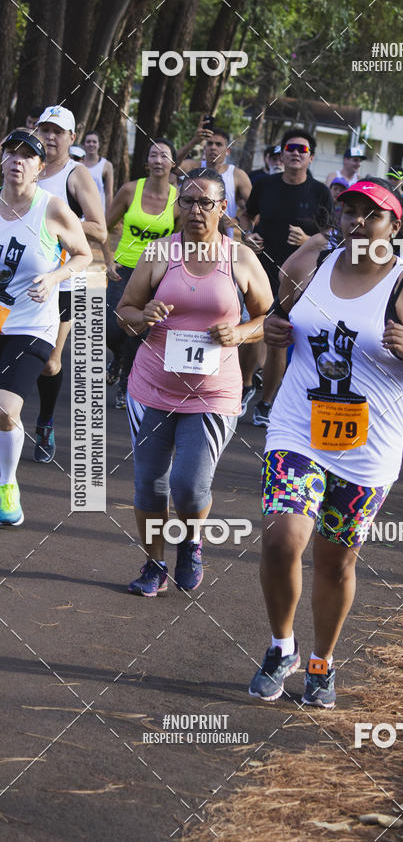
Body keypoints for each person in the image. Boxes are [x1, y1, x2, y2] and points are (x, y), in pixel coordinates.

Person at [248, 177, 403, 707]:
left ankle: (322, 660)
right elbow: (278, 321)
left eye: (371, 214)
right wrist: (271, 331)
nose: (356, 222)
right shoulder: (309, 268)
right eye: (348, 212)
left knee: (336, 561)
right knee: (281, 539)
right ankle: (280, 645)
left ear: (394, 225)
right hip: (298, 429)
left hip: (368, 448)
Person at [116, 168, 272, 597]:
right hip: (151, 386)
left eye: (206, 203)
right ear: (177, 206)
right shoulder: (158, 253)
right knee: (149, 483)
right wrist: (142, 316)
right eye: (187, 201)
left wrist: (239, 333)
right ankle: (154, 563)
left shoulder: (239, 257)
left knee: (188, 485)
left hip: (213, 391)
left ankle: (190, 542)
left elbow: (269, 319)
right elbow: (124, 310)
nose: (196, 210)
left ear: (224, 209)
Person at [0, 129, 91, 523]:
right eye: (11, 153)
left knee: (5, 410)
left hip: (32, 324)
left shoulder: (51, 208)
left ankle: (7, 486)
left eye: (27, 156)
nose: (17, 160)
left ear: (39, 168)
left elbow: (84, 254)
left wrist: (55, 278)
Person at [242, 128, 334, 427]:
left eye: (302, 150)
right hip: (261, 268)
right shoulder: (265, 185)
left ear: (311, 158)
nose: (295, 153)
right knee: (252, 331)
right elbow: (247, 215)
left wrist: (309, 238)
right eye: (290, 148)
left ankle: (266, 403)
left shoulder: (319, 192)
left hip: (298, 276)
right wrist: (248, 235)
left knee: (280, 338)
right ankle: (245, 387)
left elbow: (332, 233)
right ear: (281, 154)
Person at [34, 105, 108, 462]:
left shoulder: (76, 175)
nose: (50, 137)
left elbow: (99, 228)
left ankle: (46, 421)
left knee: (50, 362)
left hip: (62, 282)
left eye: (57, 132)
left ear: (71, 138)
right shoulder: (25, 164)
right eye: (45, 129)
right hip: (18, 278)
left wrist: (59, 223)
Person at [105, 138, 179, 408]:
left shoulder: (178, 200)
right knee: (112, 329)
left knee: (139, 332)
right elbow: (105, 226)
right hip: (124, 268)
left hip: (157, 274)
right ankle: (119, 357)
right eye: (153, 155)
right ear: (146, 162)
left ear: (173, 163)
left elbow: (181, 240)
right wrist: (107, 259)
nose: (158, 161)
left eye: (164, 156)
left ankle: (126, 383)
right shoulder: (129, 190)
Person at [178, 126, 252, 238]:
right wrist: (194, 141)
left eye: (218, 144)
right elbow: (172, 165)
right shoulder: (193, 167)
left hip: (222, 241)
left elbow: (255, 207)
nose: (213, 147)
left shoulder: (237, 175)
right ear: (205, 148)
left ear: (228, 151)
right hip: (190, 239)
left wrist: (237, 220)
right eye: (209, 144)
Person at [83, 129, 114, 213]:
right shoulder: (76, 163)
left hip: (98, 211)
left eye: (94, 142)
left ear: (99, 144)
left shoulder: (107, 165)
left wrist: (108, 215)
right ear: (84, 144)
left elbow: (109, 194)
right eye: (88, 142)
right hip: (79, 210)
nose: (91, 144)